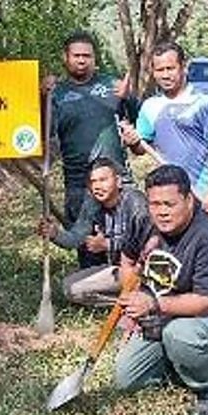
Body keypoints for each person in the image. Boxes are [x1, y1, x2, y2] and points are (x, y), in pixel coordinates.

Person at [112, 165, 208, 415]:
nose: (161, 212)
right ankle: (188, 360)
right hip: (168, 314)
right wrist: (132, 302)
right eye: (154, 204)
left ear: (188, 199)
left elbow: (205, 302)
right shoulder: (145, 224)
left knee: (182, 335)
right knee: (126, 379)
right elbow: (128, 263)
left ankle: (207, 387)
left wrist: (151, 304)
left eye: (169, 204)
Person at [45, 31, 138, 268]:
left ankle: (130, 277)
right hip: (78, 181)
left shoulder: (112, 85)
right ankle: (94, 282)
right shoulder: (57, 93)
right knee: (86, 241)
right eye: (76, 55)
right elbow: (42, 133)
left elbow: (137, 123)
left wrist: (129, 99)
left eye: (87, 55)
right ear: (65, 58)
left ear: (95, 59)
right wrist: (41, 98)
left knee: (131, 233)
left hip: (118, 177)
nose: (82, 60)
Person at [118, 42, 208, 217]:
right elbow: (141, 148)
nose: (165, 75)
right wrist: (133, 141)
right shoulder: (150, 106)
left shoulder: (205, 102)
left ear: (183, 67)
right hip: (171, 197)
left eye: (170, 68)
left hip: (204, 195)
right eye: (160, 70)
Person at [35, 157, 152, 307]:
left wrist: (108, 244)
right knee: (70, 288)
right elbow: (76, 238)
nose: (97, 186)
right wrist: (55, 234)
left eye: (103, 180)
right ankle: (130, 300)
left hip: (143, 269)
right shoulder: (92, 204)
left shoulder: (135, 202)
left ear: (118, 181)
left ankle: (146, 300)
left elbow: (148, 243)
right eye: (93, 182)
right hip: (116, 270)